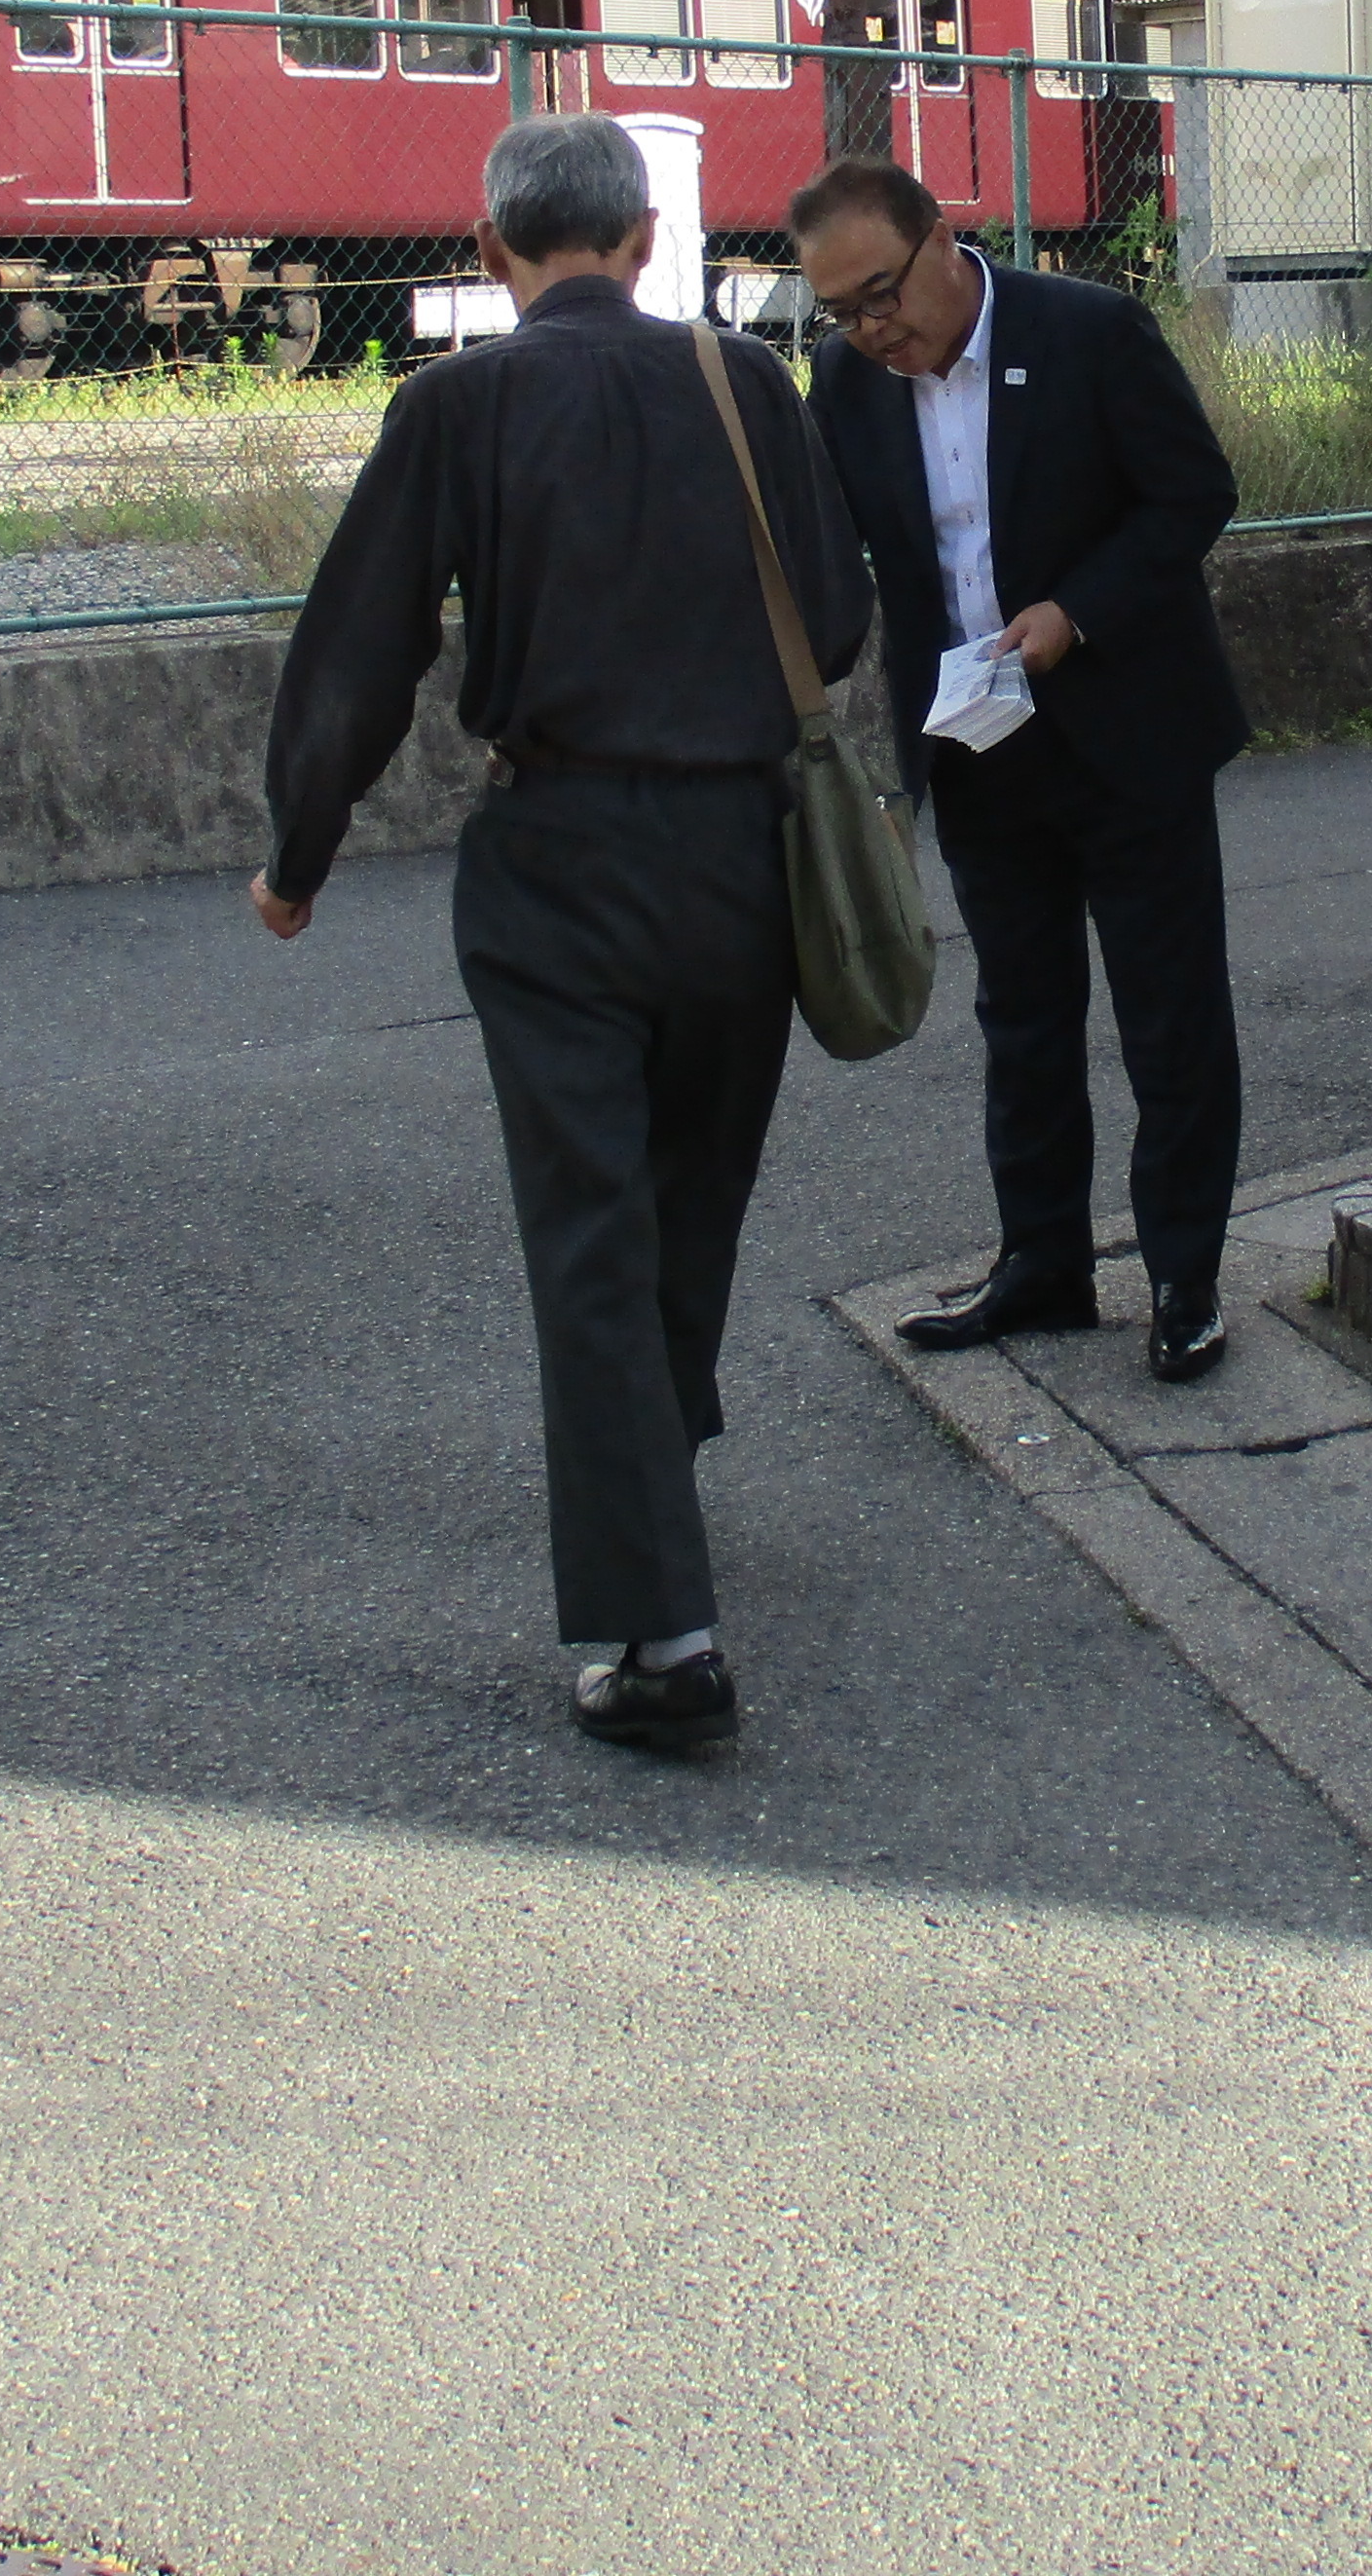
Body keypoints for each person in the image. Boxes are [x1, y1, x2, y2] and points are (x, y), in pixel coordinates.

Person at [251, 114, 868, 1750]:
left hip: (559, 858)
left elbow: (361, 650)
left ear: (488, 250)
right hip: (744, 854)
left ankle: (661, 1635)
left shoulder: (454, 402)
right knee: (690, 1195)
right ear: (649, 237)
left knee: (589, 1221)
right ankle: (655, 1469)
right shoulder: (747, 385)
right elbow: (846, 611)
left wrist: (296, 848)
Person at [786, 157, 1247, 1384]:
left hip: (1129, 732)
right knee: (1022, 1021)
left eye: (881, 294)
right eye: (840, 312)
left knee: (1170, 1018)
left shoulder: (1088, 331)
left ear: (943, 241)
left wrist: (1073, 613)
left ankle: (1183, 1277)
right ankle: (1041, 1266)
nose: (872, 329)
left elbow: (1193, 494)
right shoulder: (845, 380)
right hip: (976, 745)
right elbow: (840, 559)